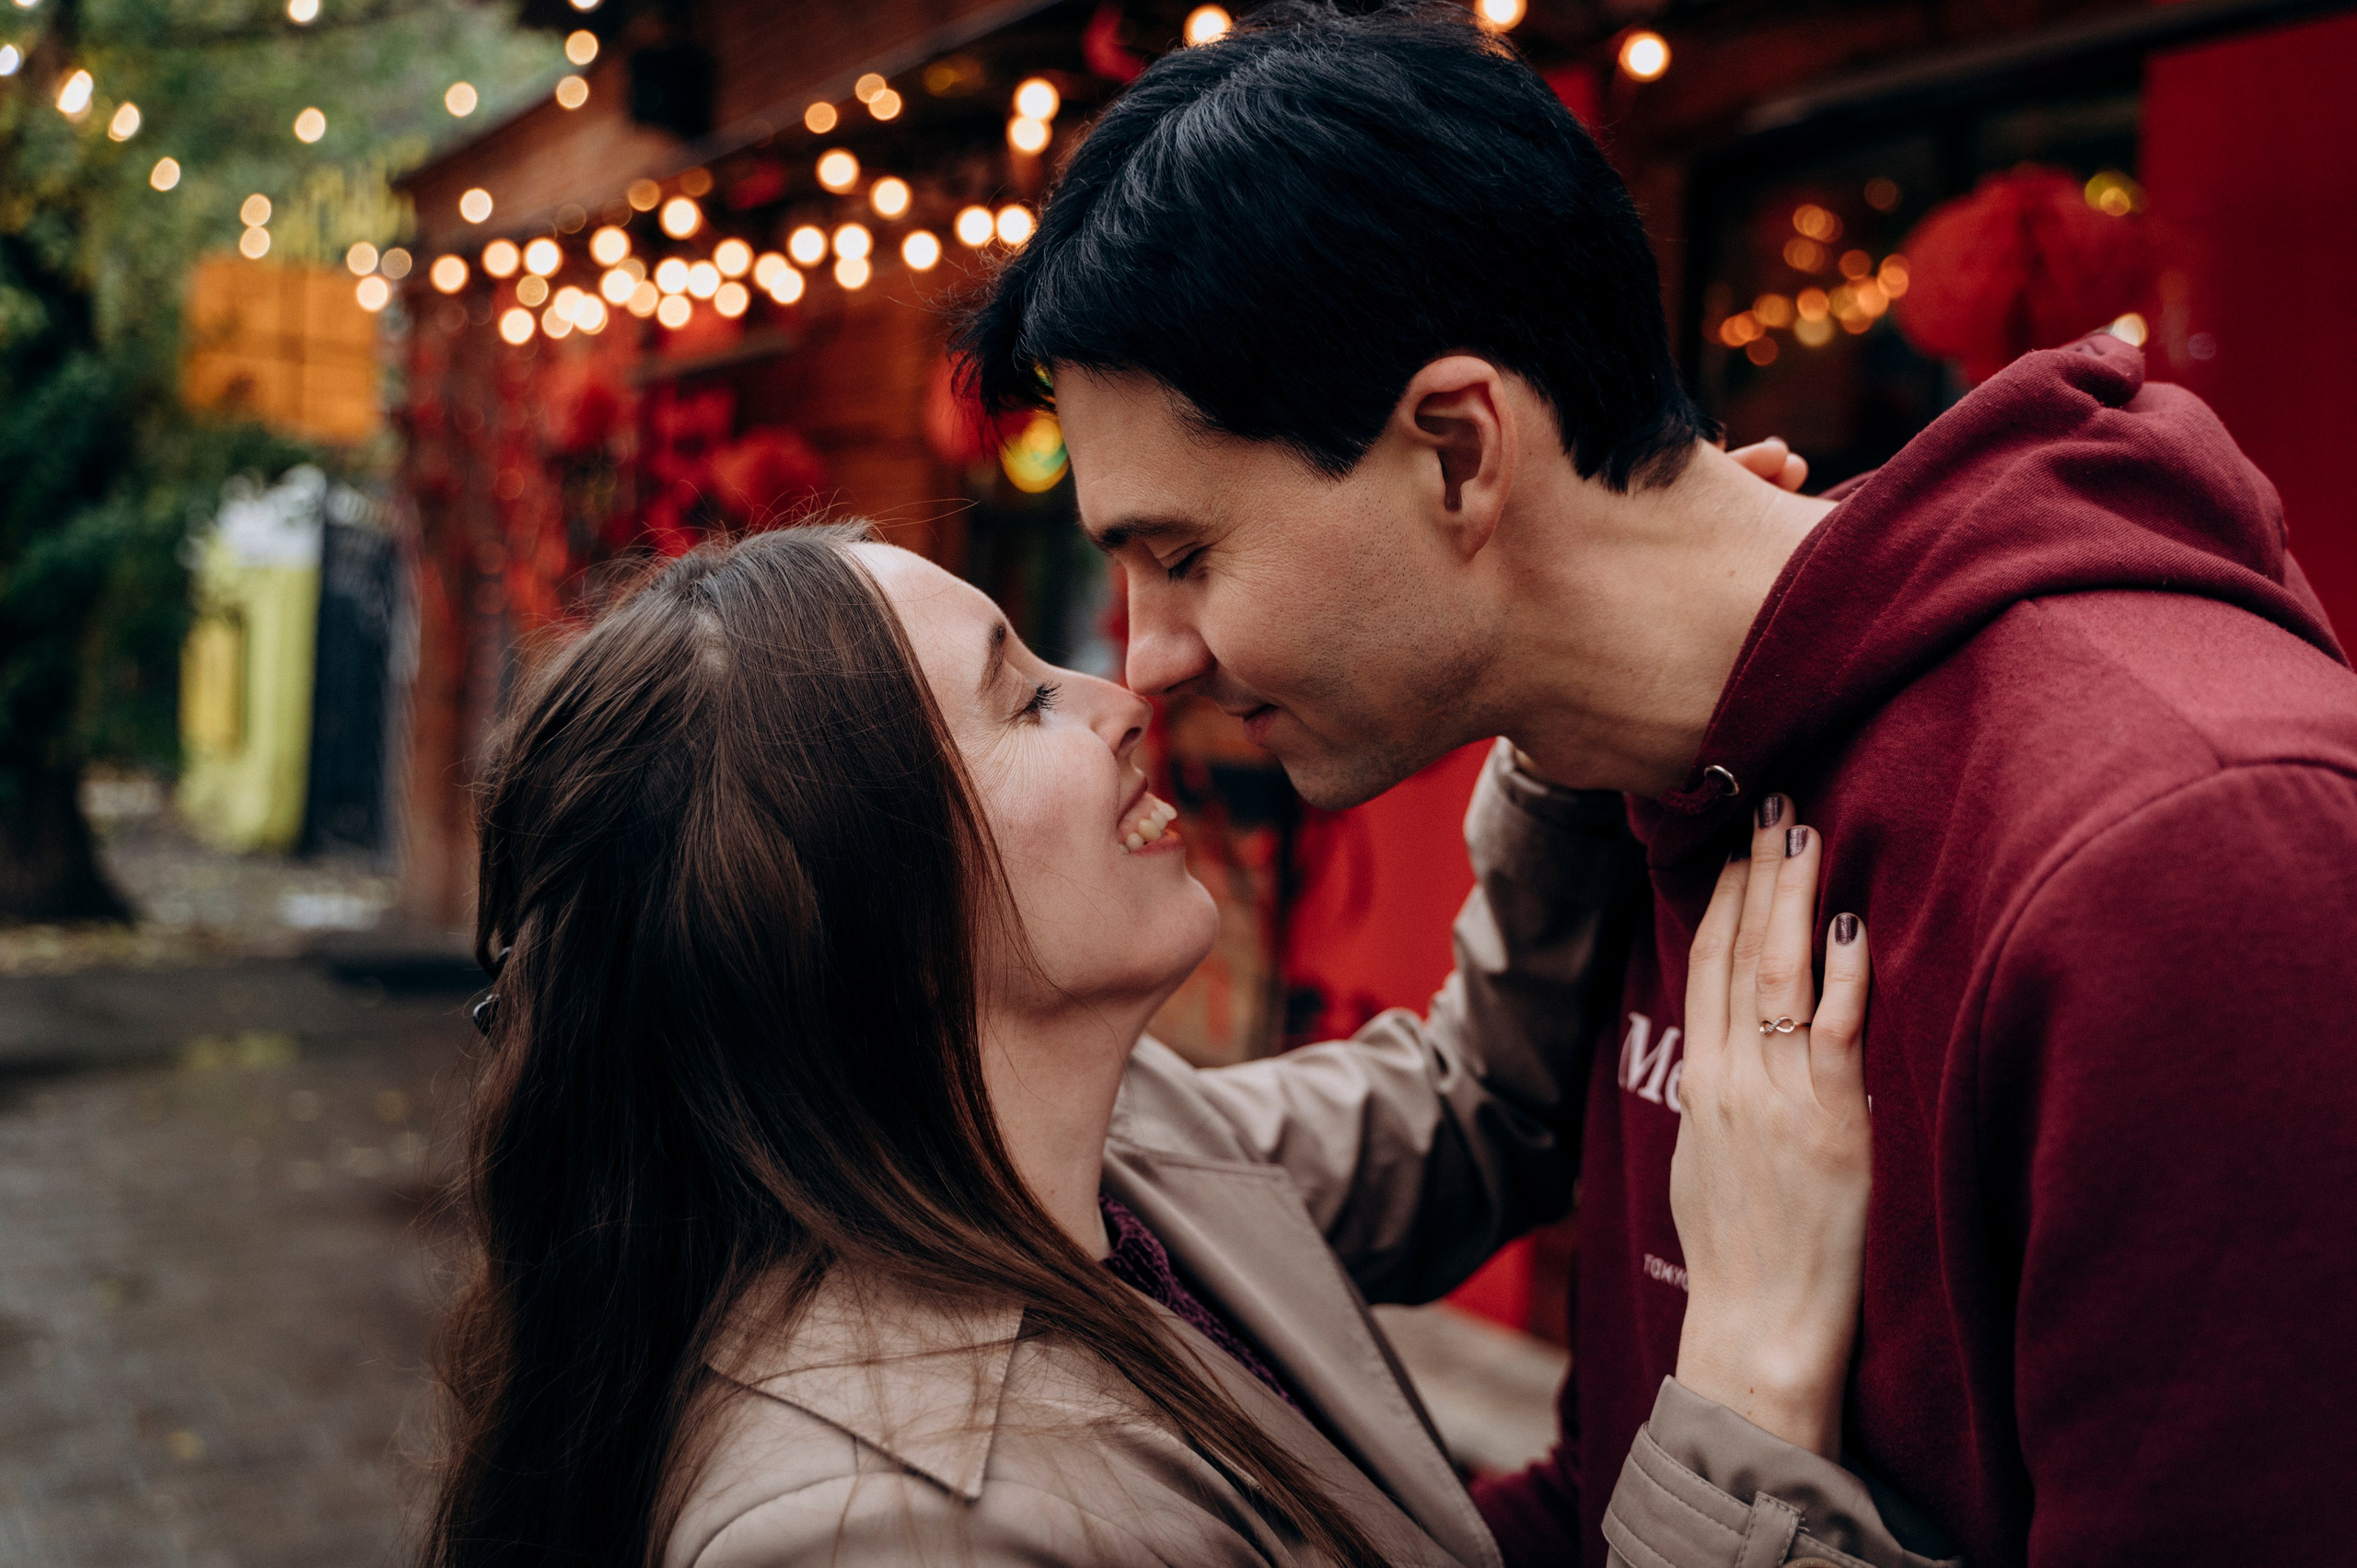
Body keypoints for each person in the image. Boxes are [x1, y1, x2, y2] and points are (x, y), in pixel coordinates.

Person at [957, 3, 2357, 1565]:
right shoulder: (1673, 779)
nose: (1145, 663)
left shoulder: (2195, 854)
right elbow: (1607, 1478)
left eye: (1184, 552)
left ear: (1457, 454)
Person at [418, 525, 1910, 1568]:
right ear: (869, 910)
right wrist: (1745, 1408)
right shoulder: (890, 1528)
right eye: (1021, 697)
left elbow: (1471, 1109)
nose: (1123, 695)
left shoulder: (1089, 1164)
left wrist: (1556, 708)